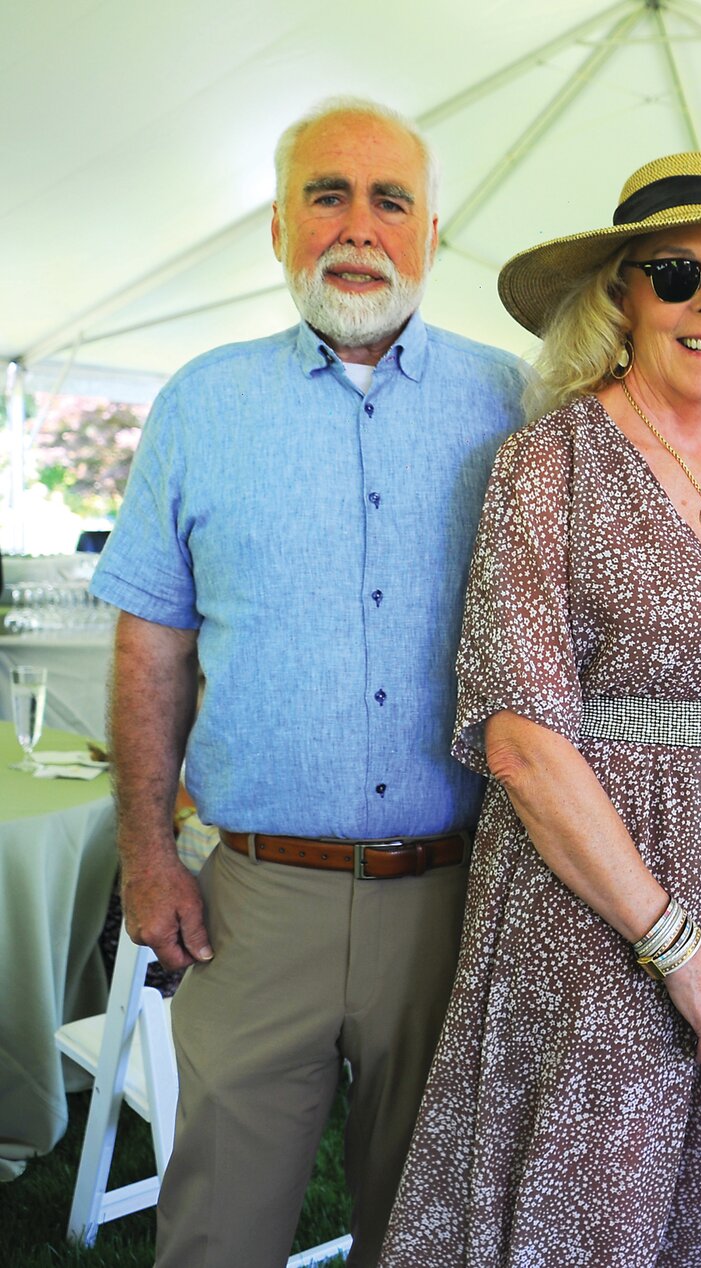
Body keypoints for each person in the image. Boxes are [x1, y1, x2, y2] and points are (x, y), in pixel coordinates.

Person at [379, 152, 701, 1267]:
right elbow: (518, 736)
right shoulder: (546, 465)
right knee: (592, 1207)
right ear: (621, 295)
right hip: (594, 918)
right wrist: (674, 946)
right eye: (676, 272)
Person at [89, 97, 528, 1268]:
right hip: (251, 907)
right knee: (215, 1232)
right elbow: (151, 646)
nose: (358, 225)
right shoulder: (201, 402)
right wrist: (143, 855)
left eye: (390, 199)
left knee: (430, 1234)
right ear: (277, 224)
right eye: (326, 194)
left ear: (434, 230)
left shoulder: (518, 405)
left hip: (457, 898)